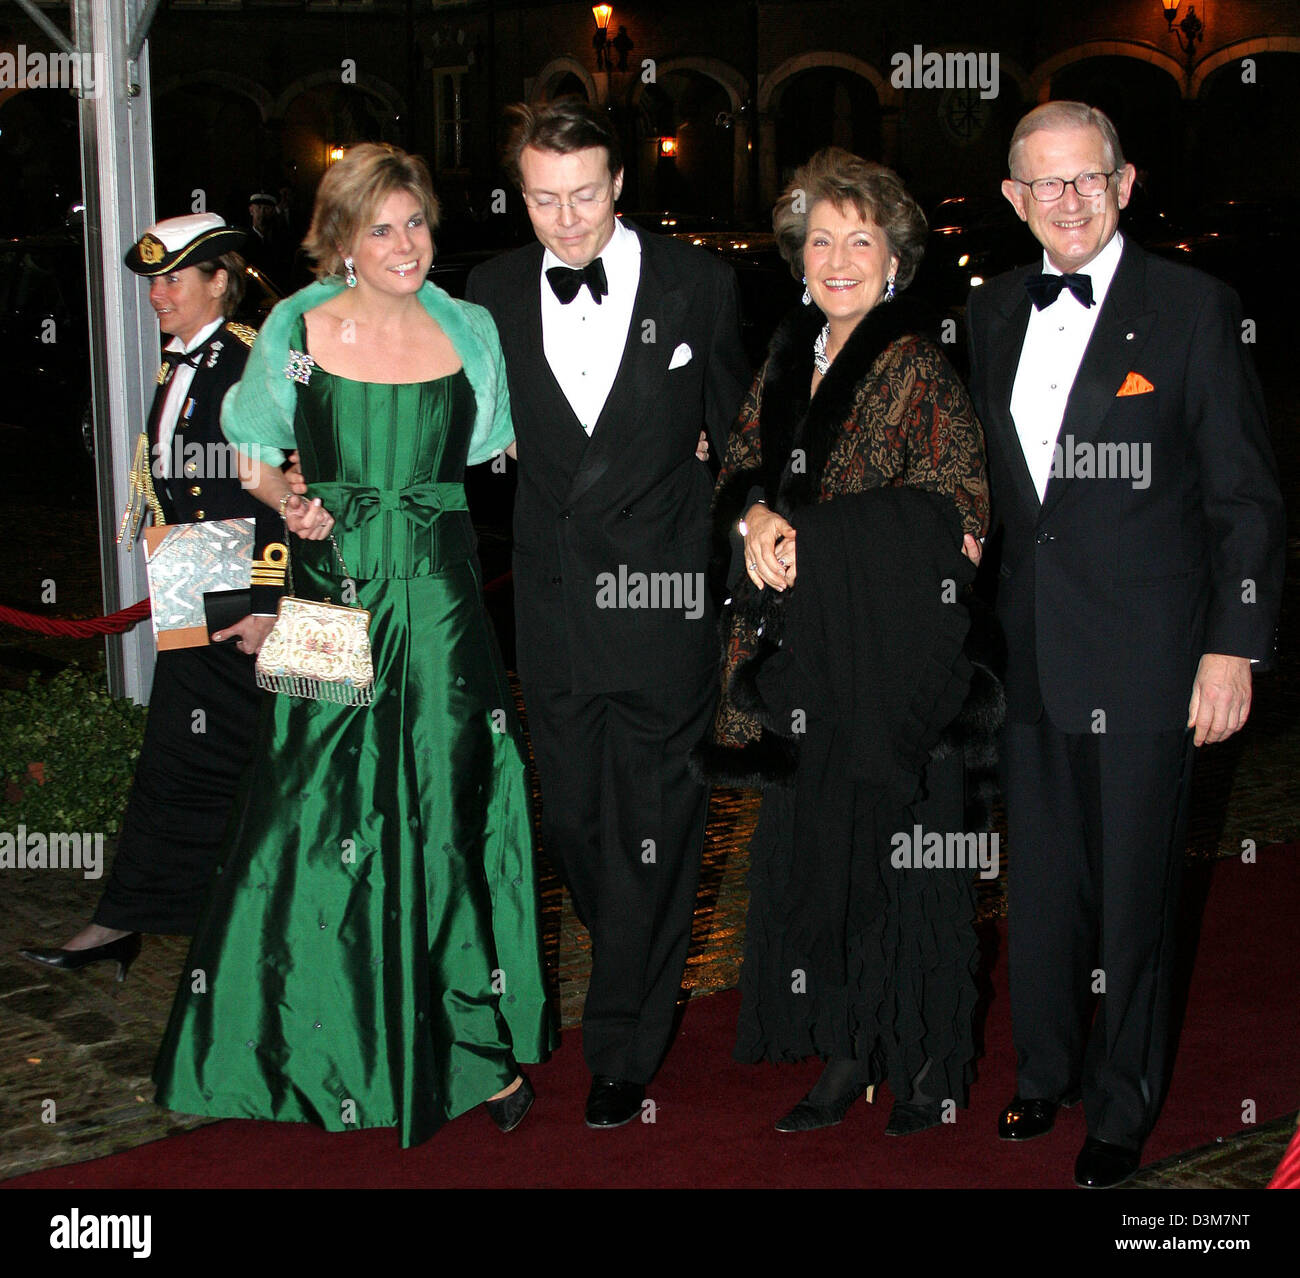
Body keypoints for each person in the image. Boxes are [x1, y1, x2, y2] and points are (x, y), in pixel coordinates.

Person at [152, 144, 551, 1145]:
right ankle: (301, 1040)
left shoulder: (470, 328)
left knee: (452, 807)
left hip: (448, 605)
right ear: (340, 238)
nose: (404, 244)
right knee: (304, 806)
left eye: (415, 223)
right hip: (331, 599)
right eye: (380, 227)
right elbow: (252, 457)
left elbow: (487, 448)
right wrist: (295, 498)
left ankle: (472, 1044)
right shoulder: (295, 327)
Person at [965, 101, 1285, 1187]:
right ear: (1012, 200)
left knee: (1137, 893)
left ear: (1124, 182)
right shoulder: (993, 309)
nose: (1065, 201)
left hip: (1152, 658)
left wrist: (1232, 646)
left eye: (1085, 179)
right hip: (1028, 656)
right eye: (1042, 184)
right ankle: (1044, 1069)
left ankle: (1121, 1104)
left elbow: (1244, 499)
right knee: (1044, 887)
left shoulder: (1194, 308)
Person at [695, 148, 992, 1137]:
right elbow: (740, 465)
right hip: (808, 665)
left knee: (910, 865)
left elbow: (958, 514)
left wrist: (814, 536)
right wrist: (754, 525)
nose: (836, 258)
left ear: (894, 257)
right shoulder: (790, 355)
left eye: (858, 239)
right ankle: (846, 1048)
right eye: (819, 240)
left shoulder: (918, 364)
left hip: (901, 668)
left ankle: (928, 1062)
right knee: (825, 865)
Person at [465, 99, 749, 1128]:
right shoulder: (488, 292)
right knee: (580, 825)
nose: (566, 219)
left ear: (619, 182)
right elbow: (451, 426)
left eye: (584, 194)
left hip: (665, 605)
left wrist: (755, 522)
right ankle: (630, 954)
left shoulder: (698, 284)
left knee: (658, 828)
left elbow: (739, 435)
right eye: (544, 199)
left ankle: (624, 1044)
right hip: (549, 610)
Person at [20, 214, 284, 979]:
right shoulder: (183, 361)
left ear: (220, 282)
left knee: (252, 755)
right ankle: (131, 917)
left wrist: (265, 595)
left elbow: (273, 480)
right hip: (193, 568)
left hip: (241, 579)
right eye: (153, 282)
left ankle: (231, 921)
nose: (159, 294)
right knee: (183, 751)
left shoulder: (244, 361)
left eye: (175, 279)